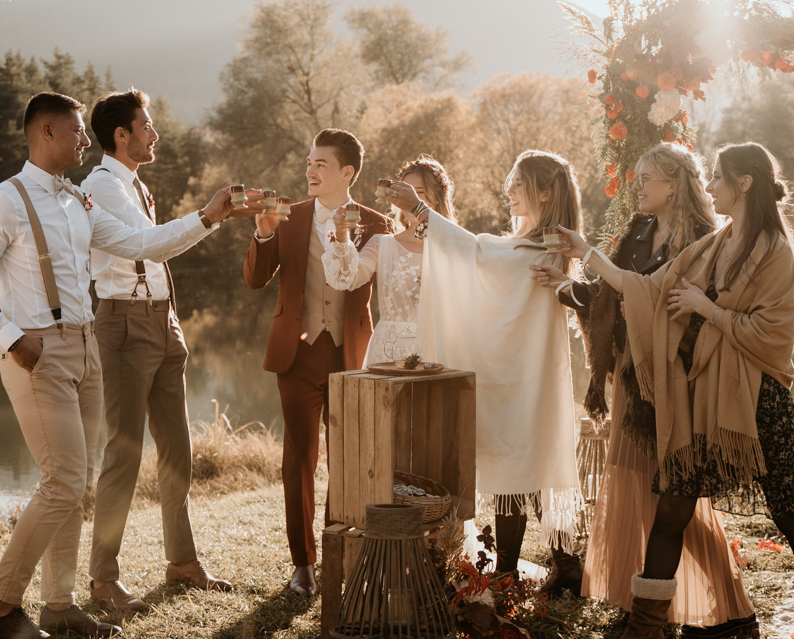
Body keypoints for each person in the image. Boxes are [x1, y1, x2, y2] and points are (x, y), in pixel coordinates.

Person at [0, 92, 255, 639]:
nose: (84, 140)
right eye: (75, 132)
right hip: (36, 351)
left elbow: (142, 244)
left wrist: (209, 216)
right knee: (63, 481)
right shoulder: (4, 201)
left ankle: (60, 606)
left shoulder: (75, 201)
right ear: (45, 132)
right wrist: (11, 337)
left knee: (75, 480)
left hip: (87, 345)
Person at [554, 142, 794, 639]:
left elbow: (772, 336)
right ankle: (645, 629)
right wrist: (588, 255)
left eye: (717, 176)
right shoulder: (715, 243)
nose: (708, 185)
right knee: (671, 508)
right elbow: (647, 288)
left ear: (744, 183)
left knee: (791, 514)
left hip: (757, 404)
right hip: (701, 399)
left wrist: (705, 309)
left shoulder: (776, 250)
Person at [533, 143, 758, 634]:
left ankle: (728, 607)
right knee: (639, 490)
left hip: (675, 381)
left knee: (673, 499)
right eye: (635, 178)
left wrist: (585, 252)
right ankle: (648, 608)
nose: (636, 186)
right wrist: (565, 287)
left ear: (673, 184)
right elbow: (613, 295)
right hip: (631, 381)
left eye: (645, 179)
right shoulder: (637, 231)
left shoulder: (704, 238)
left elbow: (663, 305)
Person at [82, 89, 231, 614]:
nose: (155, 132)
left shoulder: (135, 185)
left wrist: (211, 219)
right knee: (123, 453)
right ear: (121, 135)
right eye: (147, 124)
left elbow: (160, 244)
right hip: (122, 324)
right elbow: (145, 245)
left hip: (163, 323)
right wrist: (207, 217)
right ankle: (103, 579)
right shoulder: (100, 186)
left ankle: (183, 562)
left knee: (177, 448)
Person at [416, 150, 584, 588]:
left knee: (530, 464)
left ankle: (554, 566)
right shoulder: (534, 244)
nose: (508, 190)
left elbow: (474, 251)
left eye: (518, 183)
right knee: (521, 466)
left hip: (528, 373)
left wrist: (420, 211)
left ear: (545, 193)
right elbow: (481, 252)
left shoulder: (542, 248)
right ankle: (526, 567)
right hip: (517, 371)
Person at [243, 128, 392, 596]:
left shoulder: (376, 223)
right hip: (297, 353)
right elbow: (254, 280)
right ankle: (302, 564)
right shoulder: (288, 215)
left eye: (321, 164)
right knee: (299, 460)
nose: (310, 171)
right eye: (309, 163)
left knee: (346, 462)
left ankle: (337, 554)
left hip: (352, 354)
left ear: (347, 172)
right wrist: (263, 235)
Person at [322, 154, 457, 366]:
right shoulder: (381, 244)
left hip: (437, 349)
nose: (409, 202)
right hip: (387, 351)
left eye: (419, 194)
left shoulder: (454, 248)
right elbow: (345, 279)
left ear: (438, 198)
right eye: (405, 193)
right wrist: (341, 235)